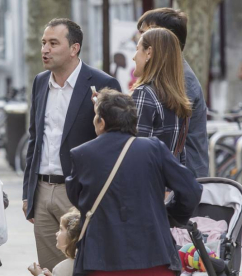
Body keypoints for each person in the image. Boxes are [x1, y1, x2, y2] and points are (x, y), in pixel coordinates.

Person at [66, 89, 203, 276]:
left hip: (102, 259)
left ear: (101, 122)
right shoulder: (154, 149)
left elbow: (77, 198)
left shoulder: (82, 154)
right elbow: (191, 189)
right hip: (154, 257)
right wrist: (171, 215)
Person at [22, 18, 122, 271]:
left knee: (85, 264)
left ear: (74, 48)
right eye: (44, 42)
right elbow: (35, 138)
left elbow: (114, 143)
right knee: (50, 268)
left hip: (80, 191)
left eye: (53, 43)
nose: (45, 49)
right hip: (43, 189)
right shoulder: (40, 82)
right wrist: (28, 192)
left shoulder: (103, 84)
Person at [137, 8, 208, 178]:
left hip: (182, 180)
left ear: (164, 39)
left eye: (145, 34)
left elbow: (161, 135)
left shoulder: (180, 79)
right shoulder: (169, 75)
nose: (140, 42)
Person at [131, 27, 192, 165]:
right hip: (169, 183)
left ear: (149, 52)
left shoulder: (143, 93)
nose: (133, 56)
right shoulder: (179, 98)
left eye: (137, 49)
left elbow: (133, 151)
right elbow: (180, 156)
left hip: (147, 183)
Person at [28, 209, 81, 276]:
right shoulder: (86, 263)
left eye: (61, 229)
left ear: (71, 236)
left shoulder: (62, 269)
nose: (56, 233)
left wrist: (39, 274)